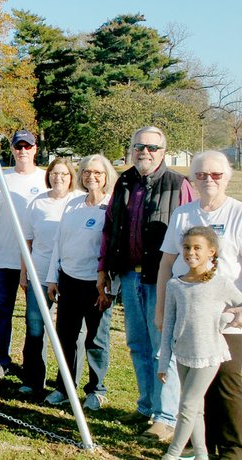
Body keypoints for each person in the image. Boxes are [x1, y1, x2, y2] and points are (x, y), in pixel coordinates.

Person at [98, 126, 194, 441]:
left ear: (163, 152)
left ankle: (166, 417)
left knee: (162, 347)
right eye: (139, 146)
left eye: (153, 147)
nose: (145, 152)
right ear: (131, 148)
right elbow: (110, 228)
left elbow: (194, 232)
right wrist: (104, 269)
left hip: (163, 278)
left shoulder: (178, 184)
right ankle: (146, 406)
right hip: (128, 274)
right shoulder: (124, 181)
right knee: (138, 345)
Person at [158, 151, 242, 458]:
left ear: (227, 178)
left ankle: (232, 450)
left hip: (226, 320)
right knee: (192, 392)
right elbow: (167, 264)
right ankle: (197, 448)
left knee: (229, 387)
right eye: (201, 175)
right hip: (188, 318)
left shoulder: (238, 213)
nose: (209, 180)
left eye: (216, 175)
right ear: (192, 179)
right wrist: (161, 310)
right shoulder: (183, 214)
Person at [45, 154, 118, 411]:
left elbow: (112, 248)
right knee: (67, 337)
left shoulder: (112, 206)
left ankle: (96, 390)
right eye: (87, 172)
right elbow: (59, 243)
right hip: (69, 280)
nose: (92, 177)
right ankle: (65, 387)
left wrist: (109, 285)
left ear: (107, 176)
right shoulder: (73, 204)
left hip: (96, 284)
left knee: (96, 339)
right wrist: (53, 278)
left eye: (97, 172)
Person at [0, 129, 48, 379]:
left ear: (34, 149)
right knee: (1, 312)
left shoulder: (45, 179)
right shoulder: (1, 177)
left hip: (36, 261)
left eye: (27, 146)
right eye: (18, 147)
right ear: (12, 150)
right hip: (3, 259)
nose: (22, 151)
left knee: (35, 318)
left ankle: (33, 366)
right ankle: (0, 360)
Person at [18, 157, 84, 396]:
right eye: (55, 173)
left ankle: (66, 385)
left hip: (68, 275)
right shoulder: (37, 203)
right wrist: (24, 274)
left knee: (69, 332)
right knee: (35, 326)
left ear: (71, 178)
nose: (59, 178)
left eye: (64, 174)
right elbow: (27, 241)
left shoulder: (78, 202)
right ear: (49, 176)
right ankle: (33, 379)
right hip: (39, 272)